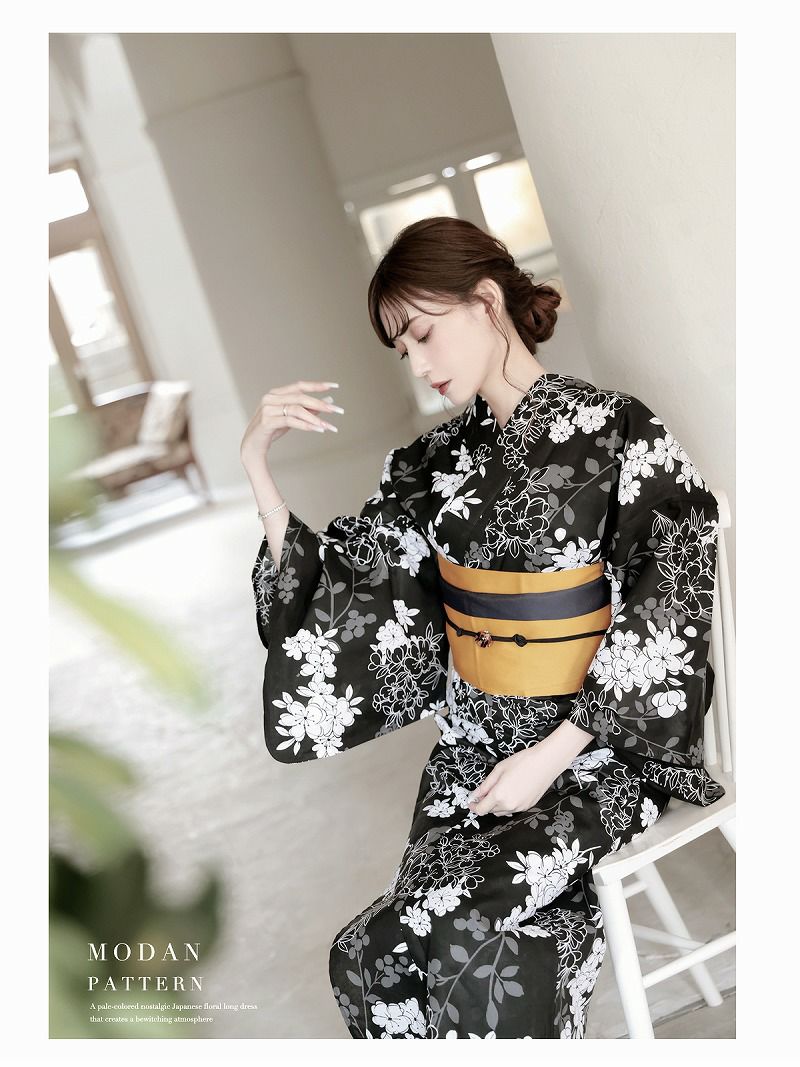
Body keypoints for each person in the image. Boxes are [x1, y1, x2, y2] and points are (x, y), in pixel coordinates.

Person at [239, 216, 725, 1039]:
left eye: (425, 334)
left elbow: (668, 596)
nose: (418, 364)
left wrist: (550, 756)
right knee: (366, 956)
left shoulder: (616, 431)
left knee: (451, 933)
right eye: (403, 349)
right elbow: (351, 587)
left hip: (598, 757)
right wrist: (258, 468)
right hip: (473, 761)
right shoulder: (430, 465)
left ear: (487, 300)